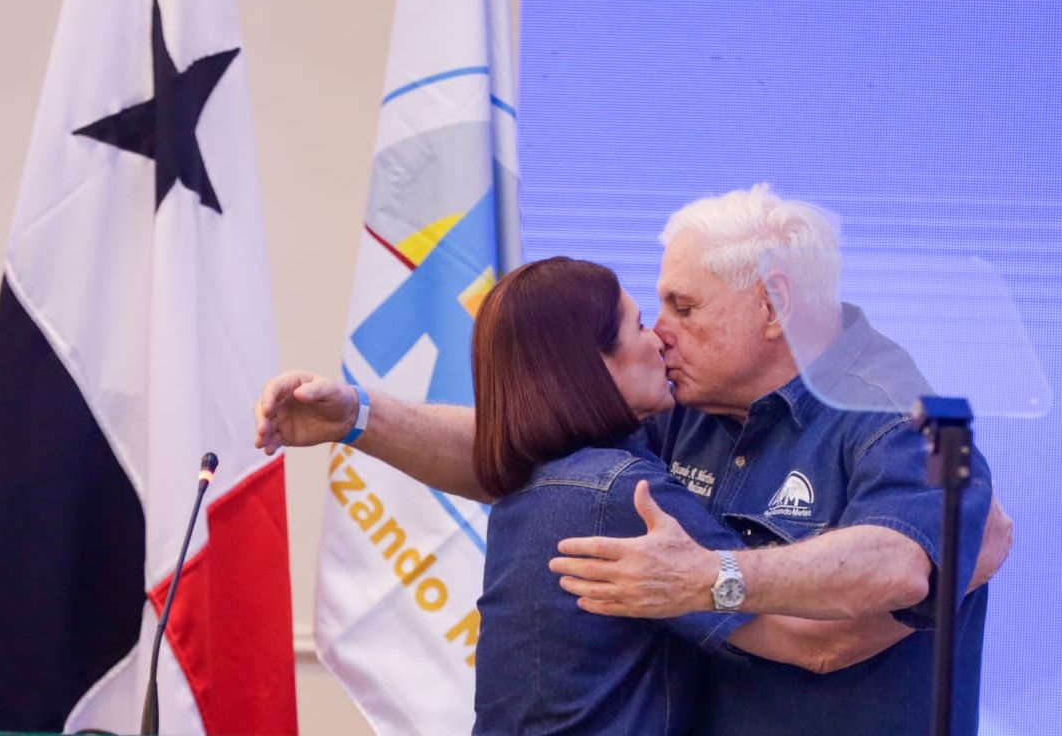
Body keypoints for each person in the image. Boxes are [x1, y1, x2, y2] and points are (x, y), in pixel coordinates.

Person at [254, 185, 1012, 735]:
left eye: (684, 306)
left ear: (774, 305)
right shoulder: (690, 404)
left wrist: (708, 578)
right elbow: (528, 451)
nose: (661, 332)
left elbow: (891, 577)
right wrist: (359, 416)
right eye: (654, 309)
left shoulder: (890, 410)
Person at [465, 256, 909, 734]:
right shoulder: (623, 495)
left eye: (684, 309)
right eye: (638, 326)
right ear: (590, 364)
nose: (659, 338)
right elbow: (815, 642)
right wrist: (946, 576)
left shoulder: (536, 480)